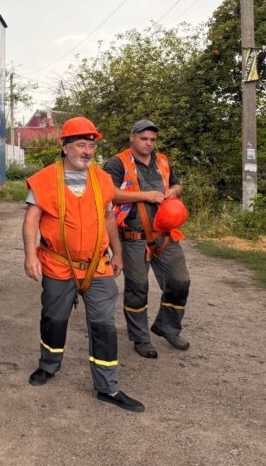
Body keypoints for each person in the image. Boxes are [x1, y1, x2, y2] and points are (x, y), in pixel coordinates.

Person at [23, 117, 144, 412]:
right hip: (57, 264)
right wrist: (29, 255)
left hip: (97, 267)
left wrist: (117, 253)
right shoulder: (44, 179)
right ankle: (49, 365)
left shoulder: (103, 179)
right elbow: (31, 221)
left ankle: (108, 387)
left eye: (91, 145)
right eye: (81, 145)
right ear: (65, 147)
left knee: (104, 326)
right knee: (54, 319)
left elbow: (107, 218)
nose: (87, 151)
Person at [104, 119, 190, 358]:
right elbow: (109, 194)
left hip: (165, 236)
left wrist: (173, 192)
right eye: (144, 139)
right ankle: (140, 337)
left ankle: (167, 326)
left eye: (152, 139)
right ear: (132, 137)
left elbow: (177, 184)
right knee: (137, 288)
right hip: (133, 238)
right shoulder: (117, 162)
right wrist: (147, 196)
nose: (149, 143)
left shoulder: (162, 160)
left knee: (180, 281)